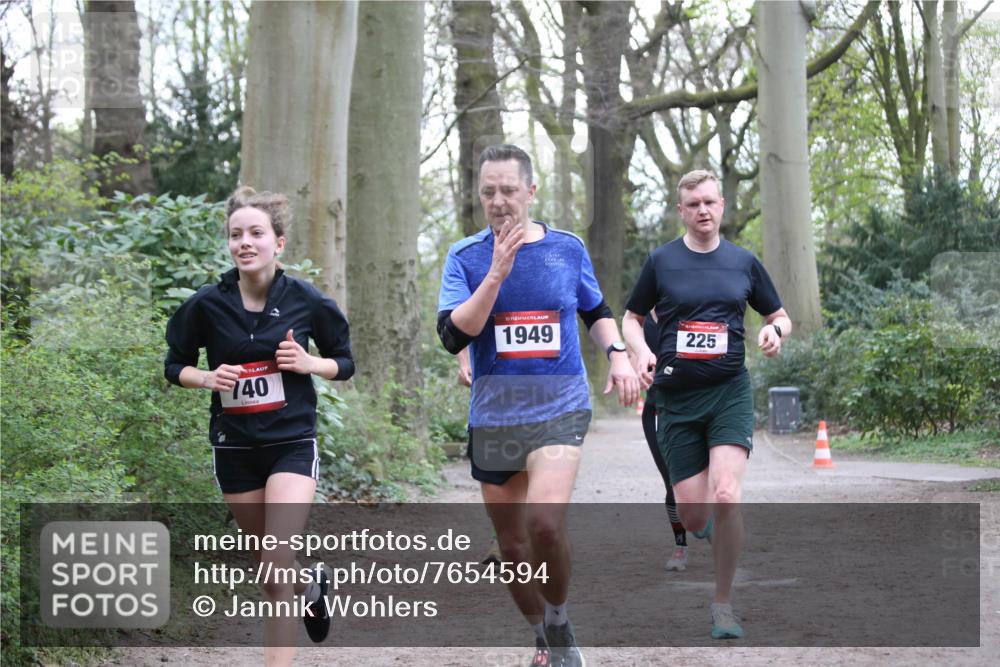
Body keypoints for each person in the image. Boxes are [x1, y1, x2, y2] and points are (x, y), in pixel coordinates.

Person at [437, 144, 639, 667]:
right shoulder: (464, 257)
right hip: (495, 414)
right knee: (512, 548)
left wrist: (617, 354)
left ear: (531, 190)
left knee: (545, 523)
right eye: (488, 192)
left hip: (559, 405)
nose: (499, 201)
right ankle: (539, 634)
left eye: (508, 190)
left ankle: (558, 621)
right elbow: (453, 331)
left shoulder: (567, 248)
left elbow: (595, 309)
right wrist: (496, 273)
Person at [164, 187, 355, 666]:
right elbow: (175, 366)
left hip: (290, 443)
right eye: (235, 235)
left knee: (273, 565)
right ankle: (310, 586)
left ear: (279, 242)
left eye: (255, 233)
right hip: (235, 449)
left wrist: (310, 362)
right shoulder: (207, 304)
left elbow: (345, 363)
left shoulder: (306, 301)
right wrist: (207, 377)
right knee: (273, 569)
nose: (244, 242)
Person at [622, 170, 791, 640]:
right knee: (694, 515)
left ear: (722, 206)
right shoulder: (661, 262)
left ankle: (723, 605)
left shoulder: (743, 262)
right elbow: (631, 318)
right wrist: (641, 351)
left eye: (710, 202)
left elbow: (780, 315)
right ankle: (706, 529)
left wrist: (774, 332)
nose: (703, 210)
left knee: (726, 494)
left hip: (729, 391)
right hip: (676, 400)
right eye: (693, 203)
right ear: (681, 210)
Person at [637, 312, 690, 572]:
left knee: (701, 486)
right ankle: (680, 546)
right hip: (656, 409)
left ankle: (717, 537)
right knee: (672, 483)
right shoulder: (641, 321)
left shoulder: (689, 308)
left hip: (692, 407)